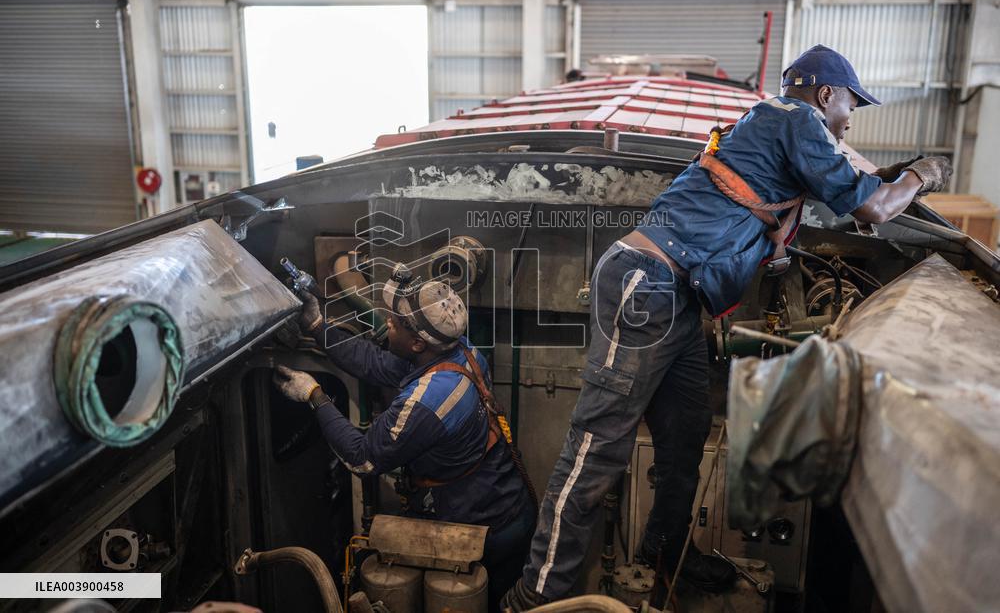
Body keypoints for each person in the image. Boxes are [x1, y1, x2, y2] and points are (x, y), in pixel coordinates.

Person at [501, 44, 953, 608]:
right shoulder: (795, 117)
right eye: (850, 105)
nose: (850, 118)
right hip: (647, 283)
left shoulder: (779, 129)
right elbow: (876, 209)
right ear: (825, 94)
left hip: (677, 300)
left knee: (686, 436)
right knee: (596, 449)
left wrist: (888, 178)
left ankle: (664, 563)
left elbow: (856, 188)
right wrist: (922, 173)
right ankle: (534, 596)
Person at [273, 265, 536, 612]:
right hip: (506, 504)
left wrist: (314, 395)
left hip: (488, 531)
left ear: (416, 343)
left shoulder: (429, 402)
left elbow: (362, 459)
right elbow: (375, 363)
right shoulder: (457, 351)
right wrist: (318, 326)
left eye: (393, 322)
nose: (388, 325)